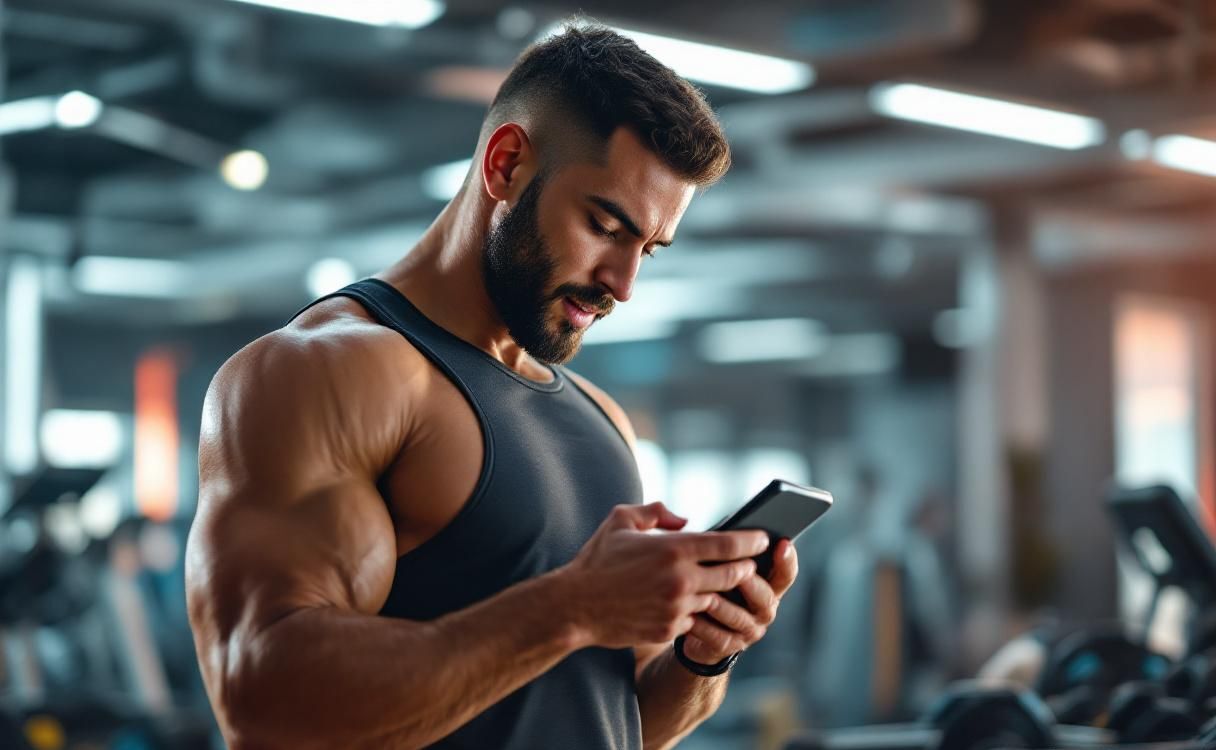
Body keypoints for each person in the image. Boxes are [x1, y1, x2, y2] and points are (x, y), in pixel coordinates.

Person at [185, 22, 800, 750]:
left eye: (649, 249)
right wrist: (570, 607)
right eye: (605, 226)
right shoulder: (327, 372)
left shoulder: (602, 421)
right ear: (506, 165)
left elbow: (610, 721)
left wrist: (704, 654)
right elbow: (262, 700)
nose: (624, 283)